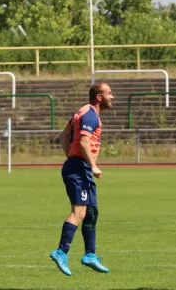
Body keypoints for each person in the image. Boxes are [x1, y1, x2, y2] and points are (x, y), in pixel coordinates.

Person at [50, 82, 114, 276]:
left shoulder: (82, 112)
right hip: (80, 168)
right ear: (99, 97)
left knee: (91, 212)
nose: (112, 97)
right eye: (109, 93)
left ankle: (90, 255)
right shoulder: (89, 115)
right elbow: (84, 140)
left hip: (78, 166)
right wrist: (90, 164)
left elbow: (63, 136)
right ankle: (61, 252)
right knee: (78, 212)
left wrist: (71, 157)